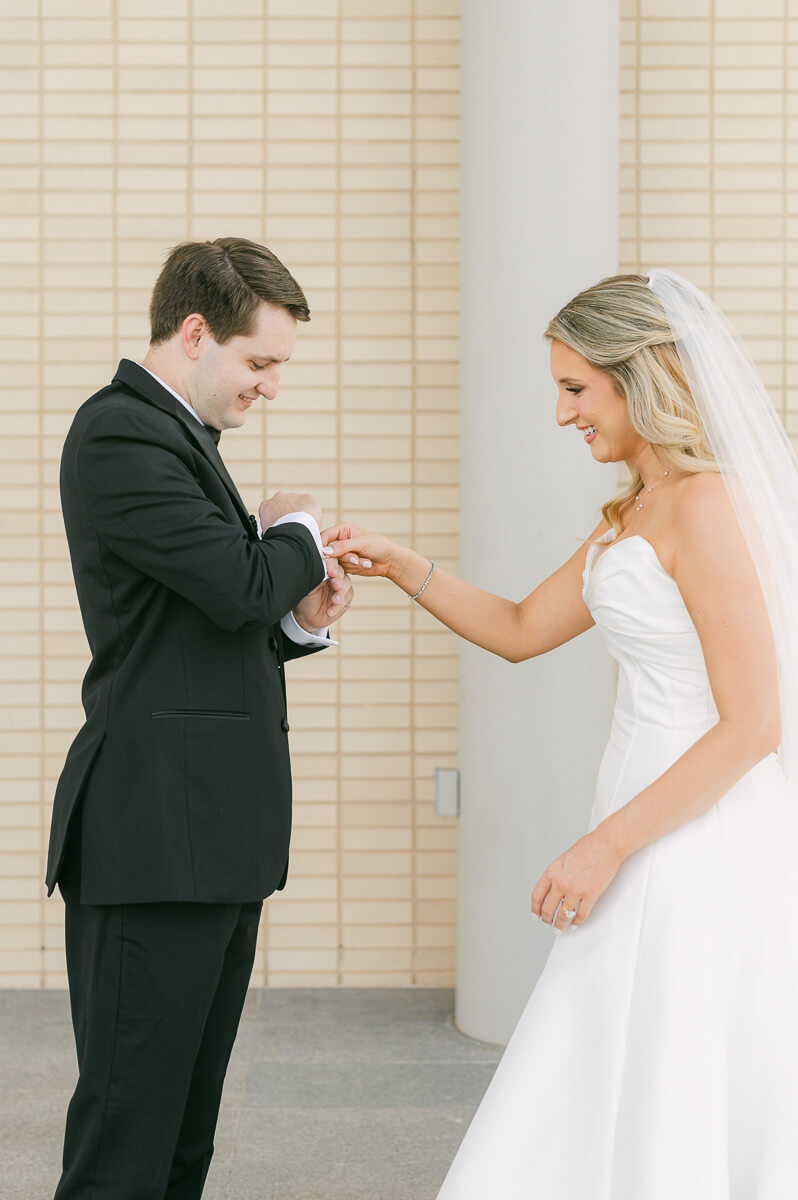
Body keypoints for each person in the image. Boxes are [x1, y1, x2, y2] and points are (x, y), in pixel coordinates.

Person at [322, 271, 798, 1196]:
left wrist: (602, 847)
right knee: (610, 1040)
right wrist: (405, 564)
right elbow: (519, 630)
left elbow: (754, 725)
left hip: (697, 834)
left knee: (670, 1048)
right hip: (638, 810)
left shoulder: (709, 506)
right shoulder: (632, 512)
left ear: (643, 377)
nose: (560, 413)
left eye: (576, 388)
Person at [46, 237, 353, 1199]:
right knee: (128, 1138)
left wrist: (297, 623)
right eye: (259, 362)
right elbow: (232, 584)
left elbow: (215, 622)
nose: (270, 388)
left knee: (184, 1134)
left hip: (207, 841)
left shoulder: (183, 442)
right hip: (153, 842)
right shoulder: (122, 434)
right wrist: (293, 526)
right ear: (192, 332)